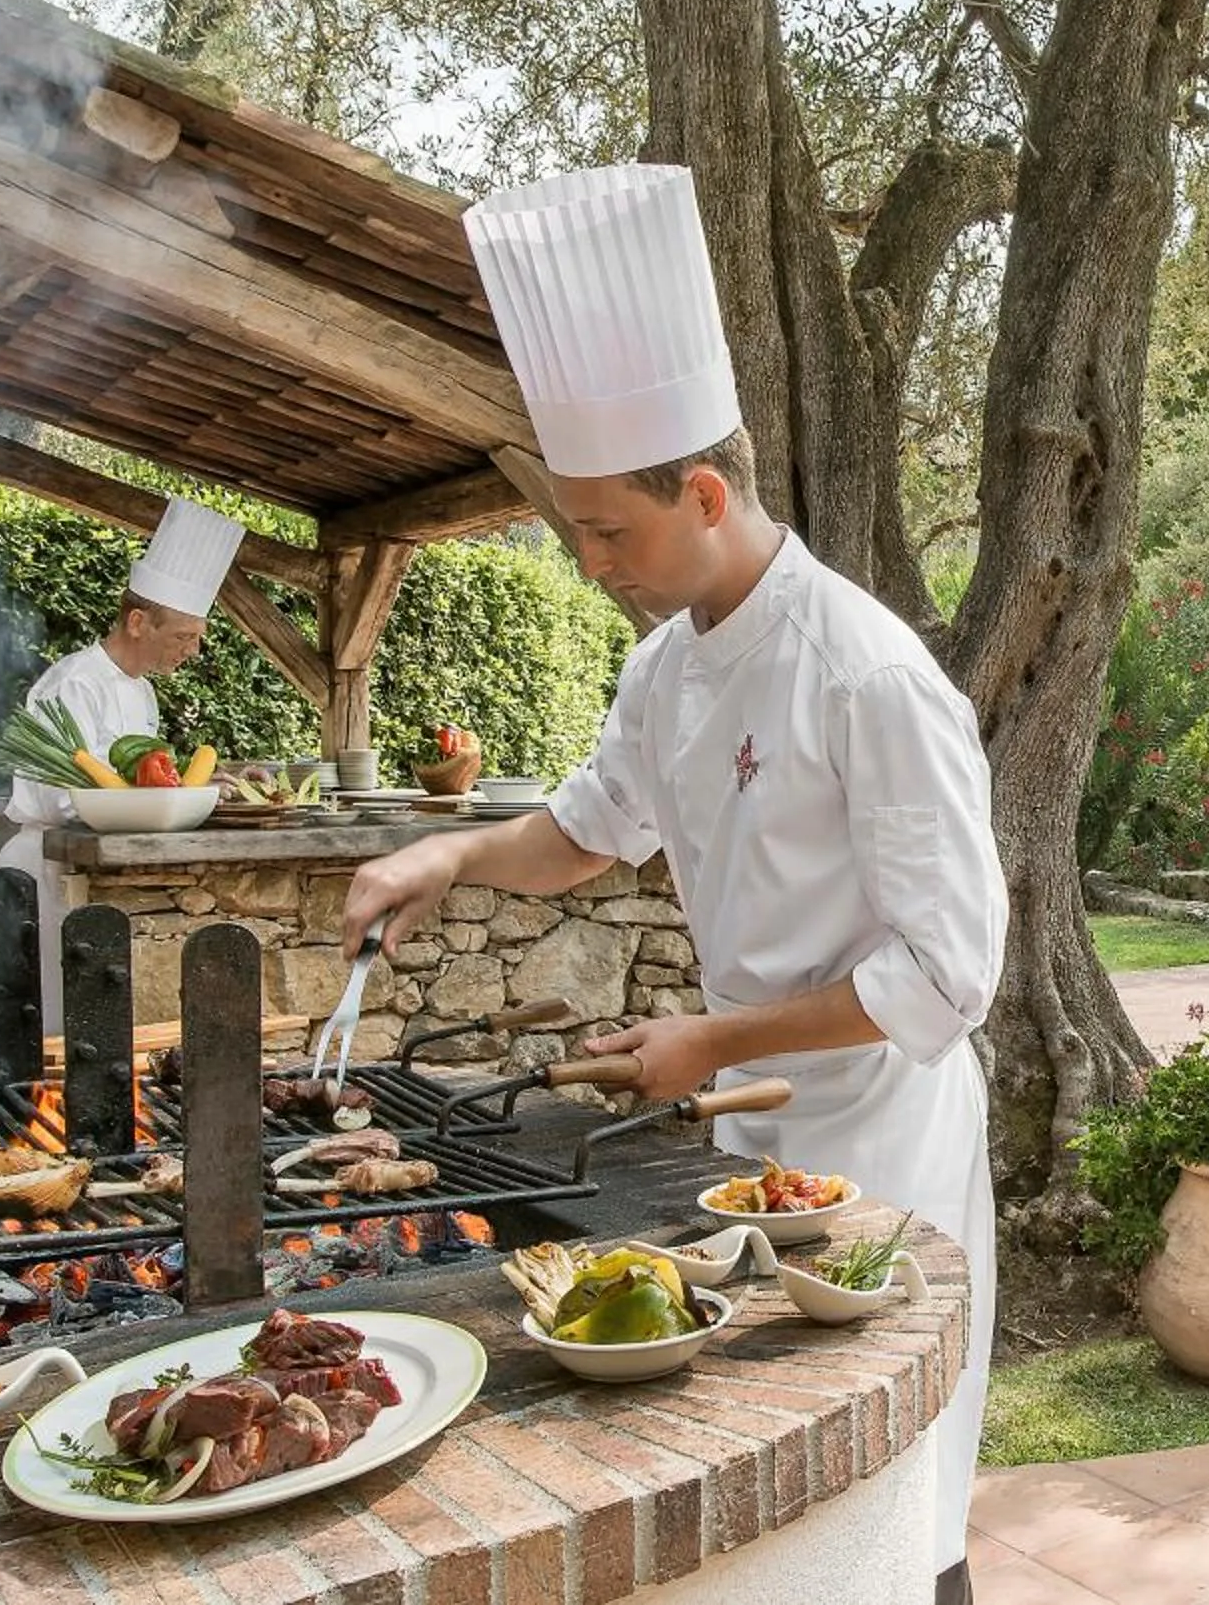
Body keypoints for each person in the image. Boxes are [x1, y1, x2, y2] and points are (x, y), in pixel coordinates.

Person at [344, 163, 1002, 1603]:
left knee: (882, 1503)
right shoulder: (664, 661)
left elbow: (947, 974)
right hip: (748, 1123)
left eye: (606, 531)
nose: (588, 564)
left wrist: (711, 1041)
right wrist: (443, 853)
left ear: (705, 491)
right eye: (574, 531)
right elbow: (583, 834)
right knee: (773, 1512)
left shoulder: (869, 671)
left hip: (879, 1138)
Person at [0, 498, 242, 1034]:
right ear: (139, 621)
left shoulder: (142, 693)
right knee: (48, 1043)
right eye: (183, 637)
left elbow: (137, 782)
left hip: (101, 879)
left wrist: (202, 783)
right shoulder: (75, 681)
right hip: (47, 876)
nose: (192, 652)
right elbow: (62, 798)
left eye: (197, 638)